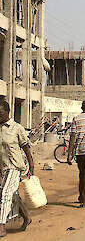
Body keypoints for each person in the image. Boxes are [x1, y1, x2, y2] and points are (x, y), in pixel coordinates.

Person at [0, 100, 34, 237]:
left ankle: (1, 226)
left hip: (14, 167)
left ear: (7, 112)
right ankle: (26, 216)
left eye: (0, 113)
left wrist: (31, 166)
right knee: (13, 195)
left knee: (5, 194)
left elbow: (26, 148)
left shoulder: (17, 128)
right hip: (2, 168)